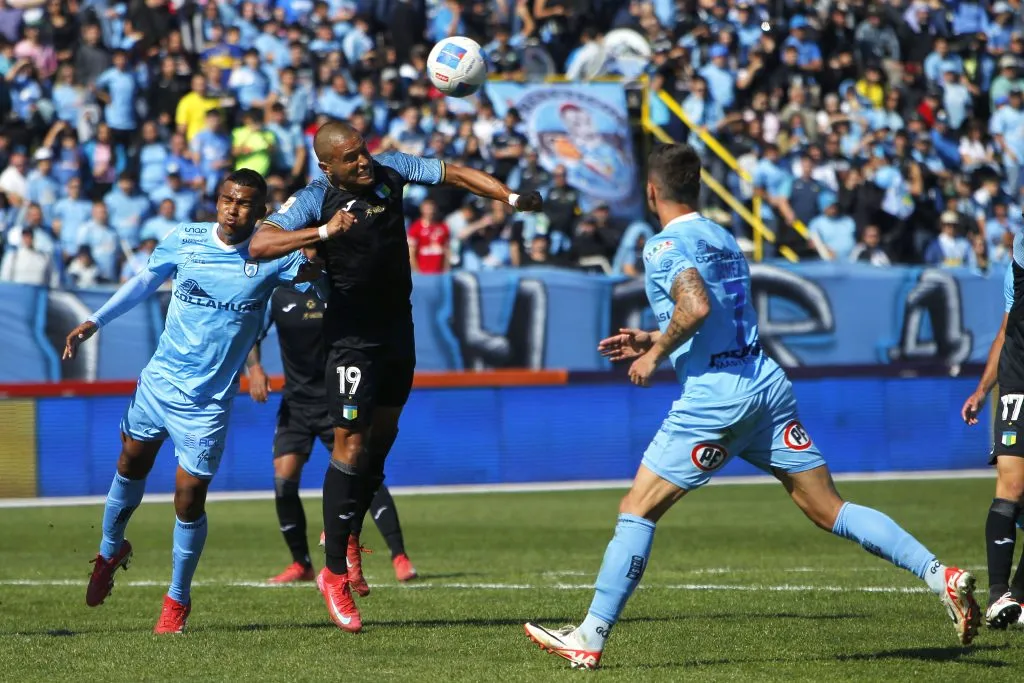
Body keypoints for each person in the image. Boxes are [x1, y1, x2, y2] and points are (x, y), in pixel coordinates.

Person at [523, 144, 980, 670]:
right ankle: (939, 575)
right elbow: (713, 314)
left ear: (651, 192)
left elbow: (695, 305)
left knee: (637, 509)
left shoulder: (662, 244)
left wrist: (655, 353)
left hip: (717, 399)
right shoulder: (722, 236)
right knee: (829, 508)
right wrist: (652, 334)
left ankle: (590, 635)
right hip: (765, 385)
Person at [248, 120, 542, 633]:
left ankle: (346, 535)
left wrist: (510, 196)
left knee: (380, 445)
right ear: (327, 166)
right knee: (351, 446)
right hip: (349, 342)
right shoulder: (315, 198)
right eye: (351, 158)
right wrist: (321, 234)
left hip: (396, 333)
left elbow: (454, 173)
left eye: (364, 152)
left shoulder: (393, 170)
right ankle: (334, 572)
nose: (363, 162)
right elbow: (260, 242)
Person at [62, 170, 323, 635]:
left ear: (260, 212)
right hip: (159, 385)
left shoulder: (271, 255)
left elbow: (317, 283)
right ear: (217, 200)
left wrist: (321, 254)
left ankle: (177, 599)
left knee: (188, 500)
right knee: (129, 464)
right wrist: (94, 321)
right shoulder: (186, 238)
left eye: (244, 204)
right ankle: (108, 550)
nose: (232, 209)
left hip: (207, 405)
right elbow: (145, 282)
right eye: (226, 199)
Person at [245, 273, 418, 588]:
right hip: (296, 403)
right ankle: (301, 563)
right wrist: (254, 367)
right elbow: (251, 333)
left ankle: (399, 555)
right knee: (284, 478)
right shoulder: (278, 292)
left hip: (335, 399)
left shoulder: (336, 287)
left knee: (361, 471)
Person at [961, 237, 1024, 629]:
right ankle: (999, 593)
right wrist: (983, 389)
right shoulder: (1016, 268)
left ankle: (1017, 597)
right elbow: (1004, 332)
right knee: (1012, 483)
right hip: (1019, 380)